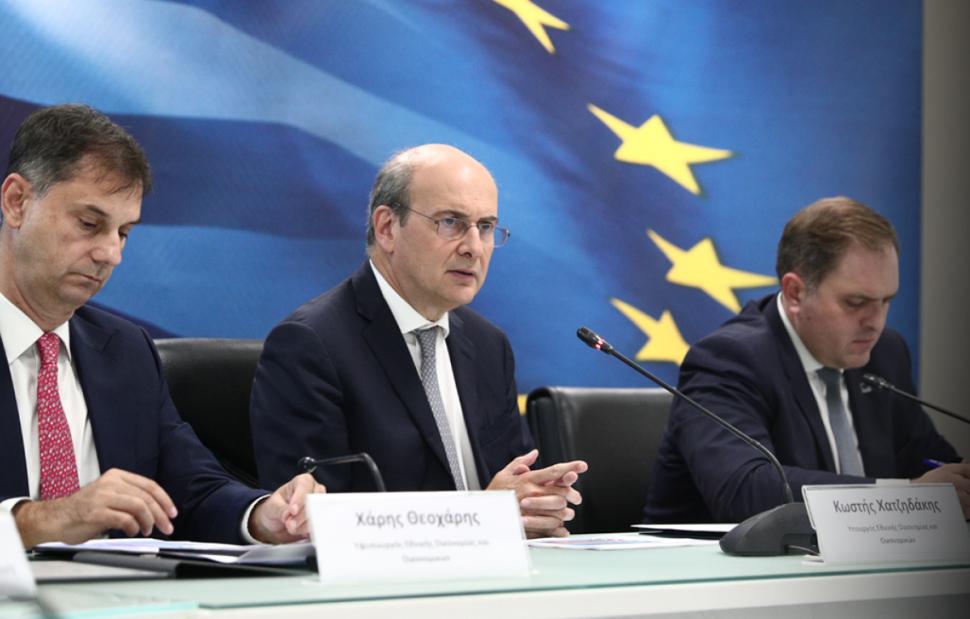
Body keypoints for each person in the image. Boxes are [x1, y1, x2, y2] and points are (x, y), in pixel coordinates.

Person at [0, 104, 325, 548]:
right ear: (17, 202)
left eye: (123, 233)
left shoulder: (126, 351)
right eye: (90, 224)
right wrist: (42, 521)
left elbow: (192, 492)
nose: (111, 254)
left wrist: (264, 516)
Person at [251, 144, 587, 537]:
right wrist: (485, 516)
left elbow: (513, 484)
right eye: (451, 222)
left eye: (485, 227)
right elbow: (313, 522)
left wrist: (537, 505)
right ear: (387, 228)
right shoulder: (311, 344)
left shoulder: (488, 346)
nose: (473, 247)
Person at [644, 197, 968, 523]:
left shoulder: (885, 353)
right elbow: (745, 490)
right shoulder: (728, 361)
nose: (876, 322)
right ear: (795, 293)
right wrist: (907, 497)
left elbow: (929, 462)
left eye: (886, 301)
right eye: (856, 302)